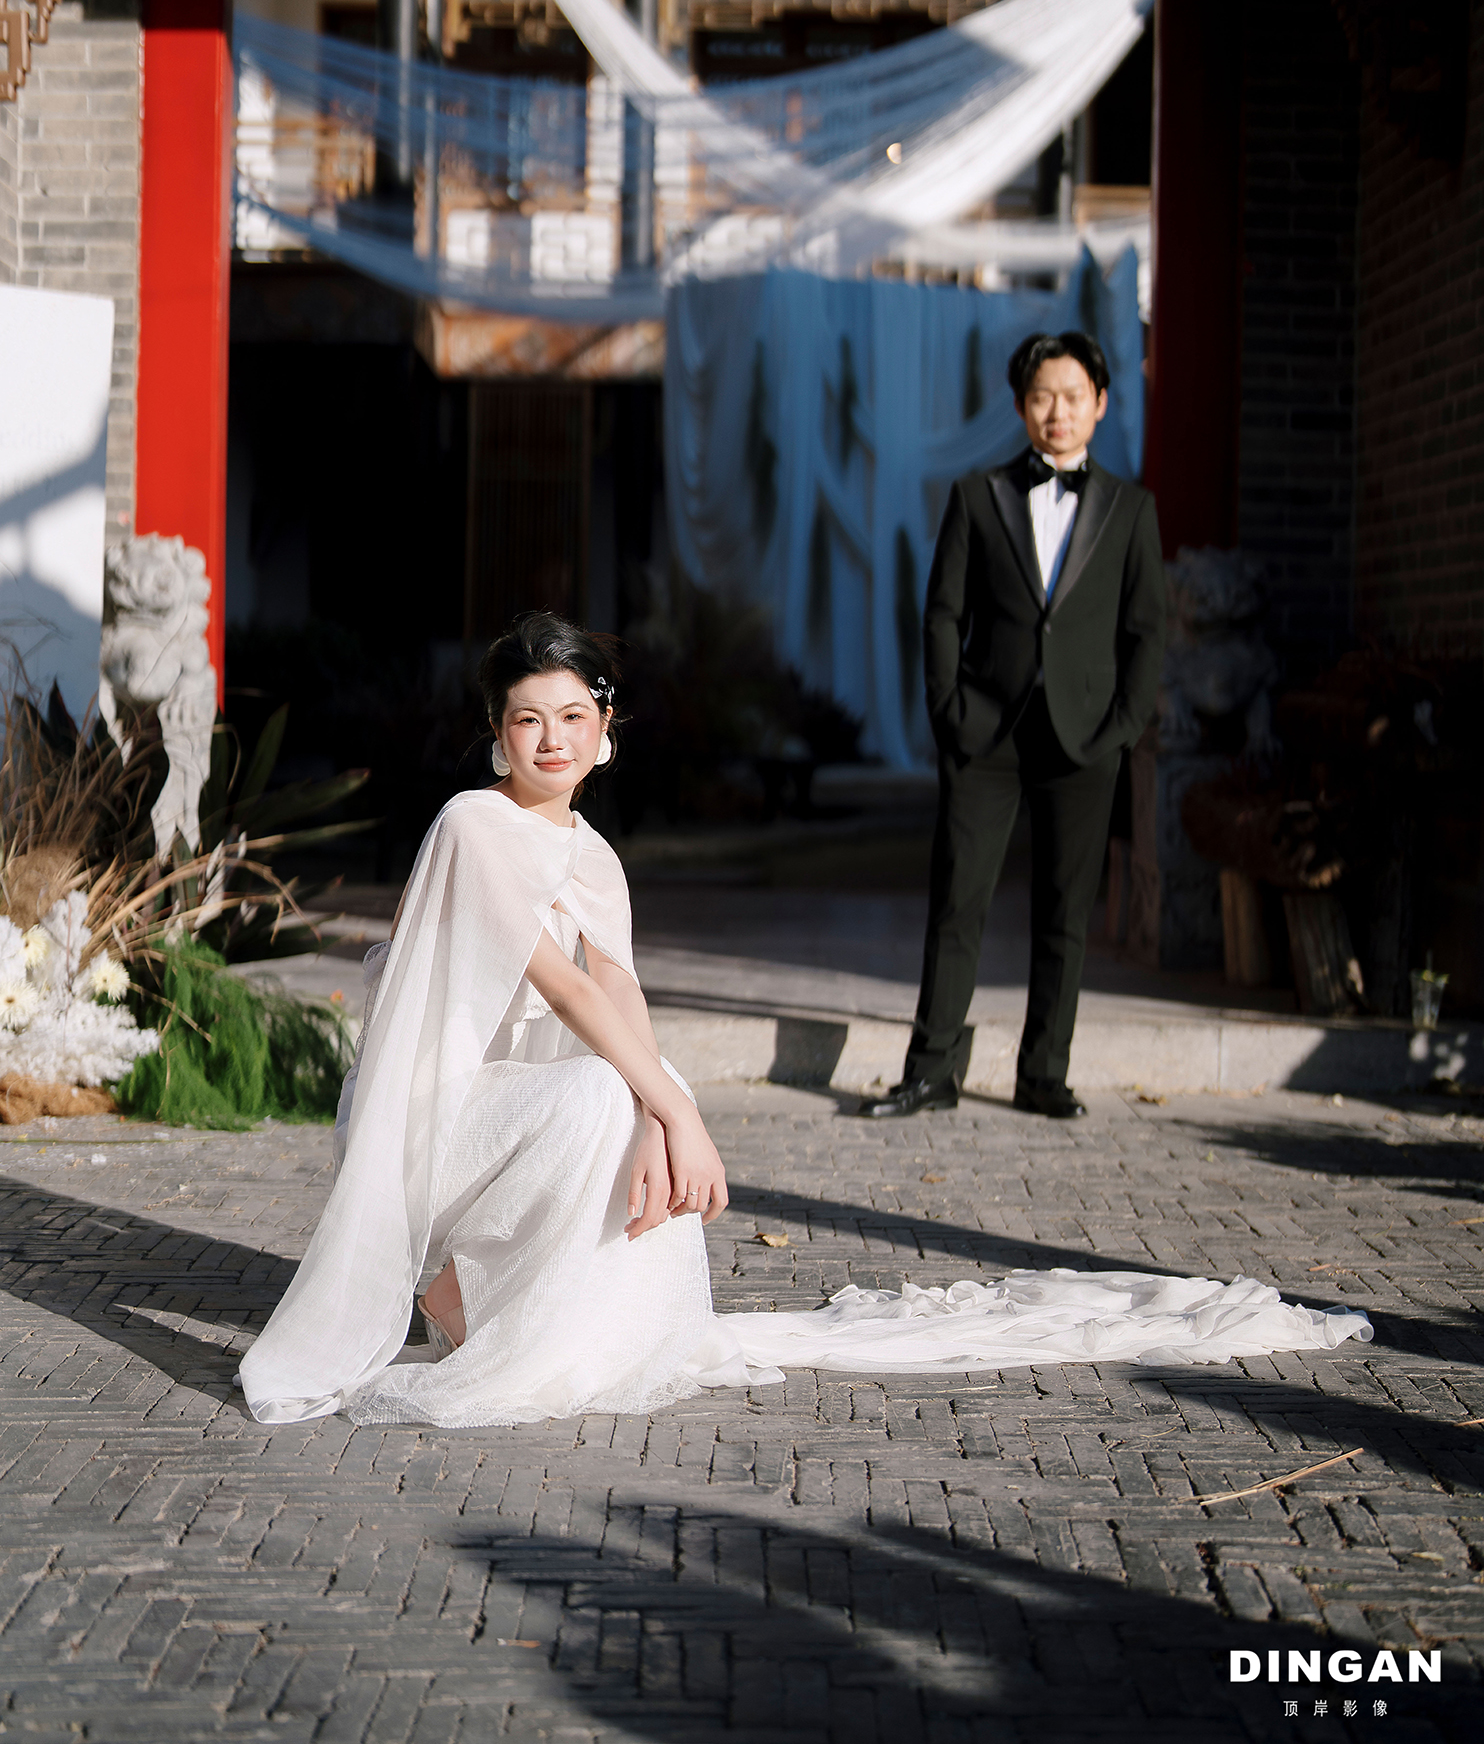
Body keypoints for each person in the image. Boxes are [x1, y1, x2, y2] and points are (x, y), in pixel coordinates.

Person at [240, 611, 1369, 1431]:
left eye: (572, 717)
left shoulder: (593, 854)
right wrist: (677, 1114)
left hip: (510, 1109)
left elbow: (619, 990)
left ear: (605, 728)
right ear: (496, 732)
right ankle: (450, 1278)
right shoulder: (473, 825)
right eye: (527, 720)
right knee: (603, 1085)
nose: (551, 740)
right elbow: (568, 992)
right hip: (428, 1124)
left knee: (635, 1084)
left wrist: (663, 1114)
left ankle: (526, 1310)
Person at [866, 330, 1165, 1121]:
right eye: (1041, 397)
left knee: (1066, 912)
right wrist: (948, 708)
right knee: (957, 902)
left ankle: (1044, 1074)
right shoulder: (979, 494)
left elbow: (1146, 632)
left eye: (1072, 397)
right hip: (985, 731)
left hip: (1085, 737)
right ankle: (930, 1071)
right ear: (1021, 406)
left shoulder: (1132, 509)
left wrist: (1124, 727)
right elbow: (943, 612)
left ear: (1100, 404)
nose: (1056, 412)